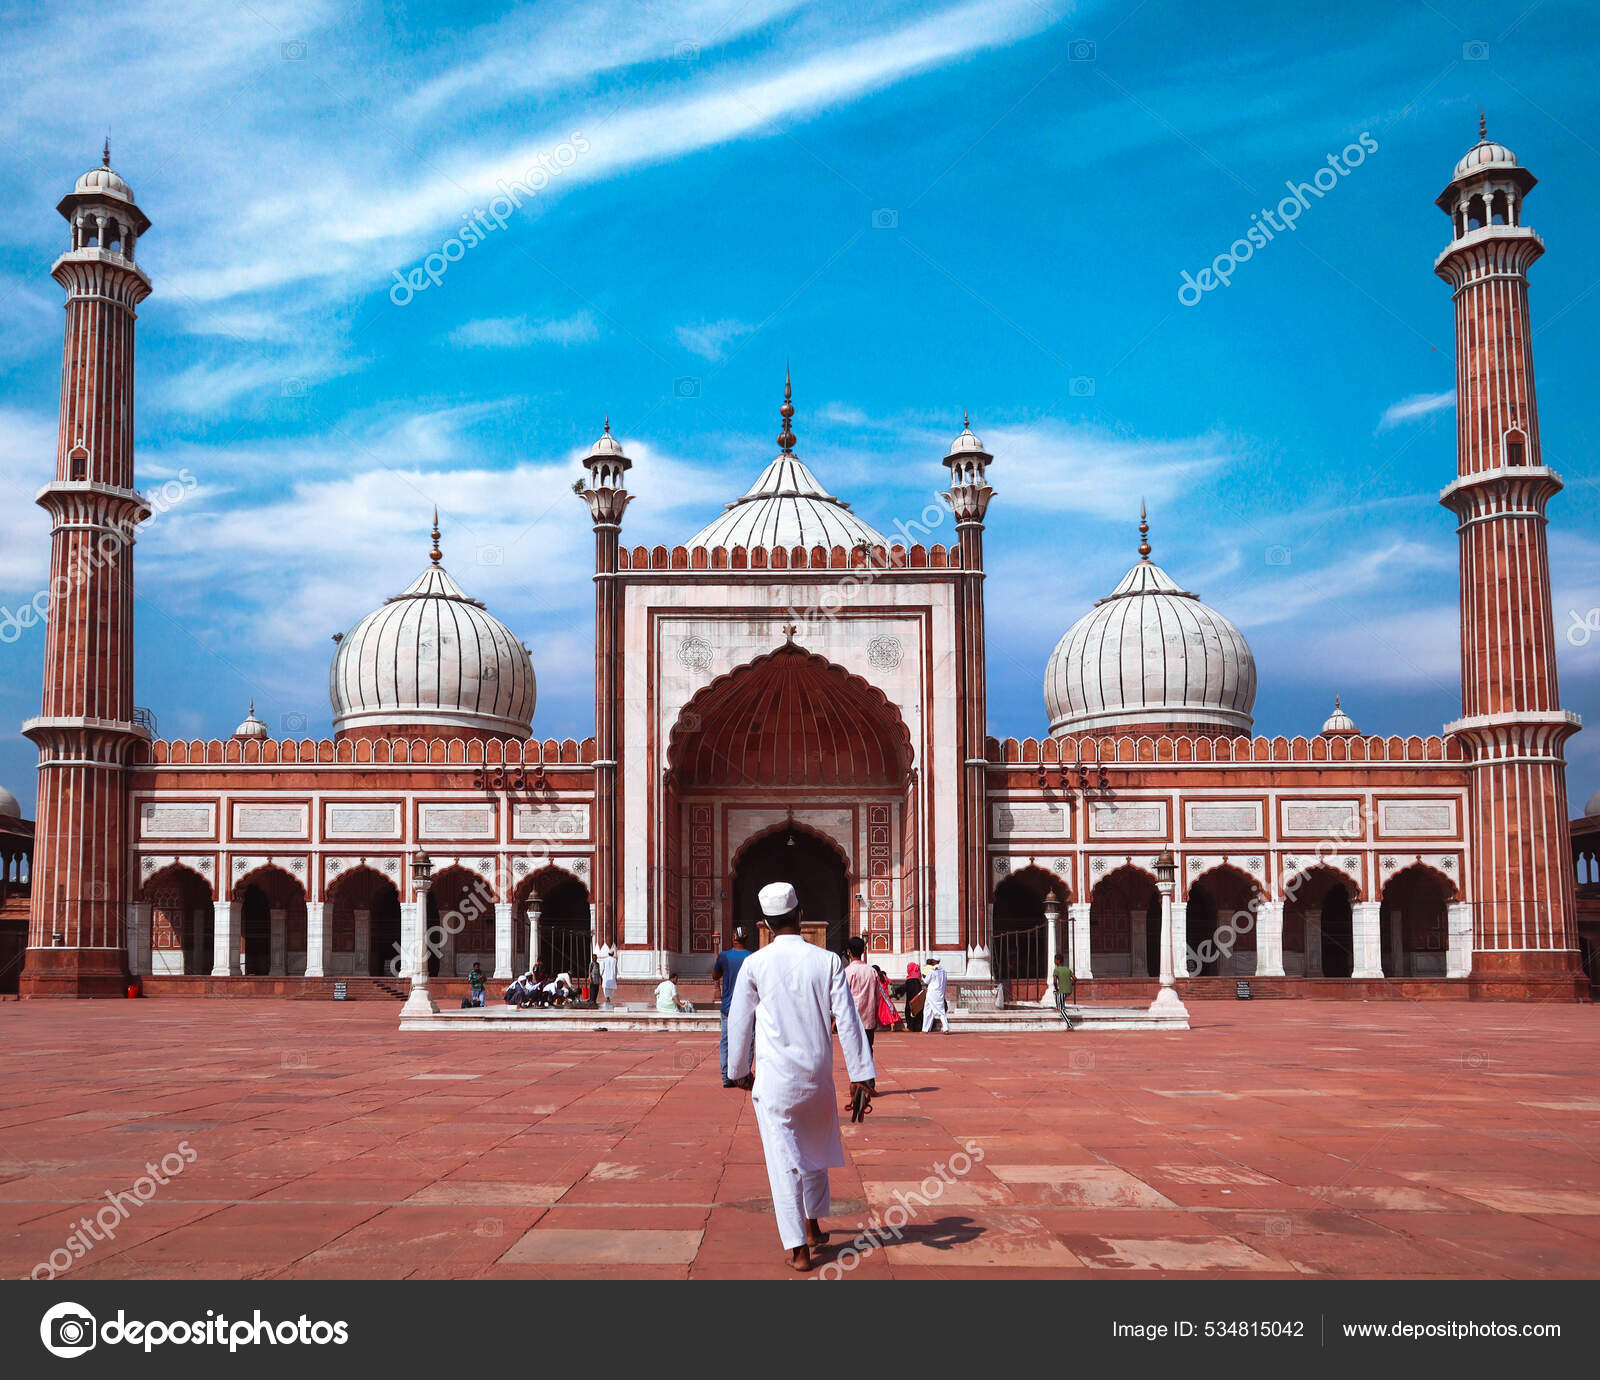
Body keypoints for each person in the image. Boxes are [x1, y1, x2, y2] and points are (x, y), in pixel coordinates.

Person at [727, 881, 875, 1273]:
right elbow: (848, 1020)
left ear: (766, 923)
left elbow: (740, 1023)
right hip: (817, 1078)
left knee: (783, 1161)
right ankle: (812, 1225)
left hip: (775, 1081)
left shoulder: (755, 964)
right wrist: (862, 1076)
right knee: (814, 1155)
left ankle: (798, 1247)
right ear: (800, 915)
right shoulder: (826, 960)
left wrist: (739, 1072)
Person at [712, 927, 755, 1085]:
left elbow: (715, 975)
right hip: (748, 1007)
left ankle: (726, 1077)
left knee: (726, 1041)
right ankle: (743, 1075)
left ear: (733, 939)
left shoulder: (724, 956)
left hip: (728, 1006)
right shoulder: (752, 957)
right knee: (748, 1041)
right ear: (746, 939)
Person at [843, 937, 881, 1050]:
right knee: (868, 1051)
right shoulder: (872, 971)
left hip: (852, 1019)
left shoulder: (848, 972)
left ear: (849, 951)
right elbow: (877, 998)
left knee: (853, 1053)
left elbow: (843, 998)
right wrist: (875, 1017)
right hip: (868, 1019)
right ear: (863, 951)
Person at [922, 956, 950, 1032]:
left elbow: (926, 981)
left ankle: (946, 1028)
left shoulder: (932, 971)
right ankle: (925, 1029)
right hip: (940, 993)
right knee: (928, 1010)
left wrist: (923, 976)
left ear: (934, 961)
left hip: (932, 993)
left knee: (939, 1011)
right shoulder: (944, 971)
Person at [896, 961, 924, 1033]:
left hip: (911, 1000)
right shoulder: (917, 979)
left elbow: (904, 988)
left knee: (909, 1011)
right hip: (918, 1000)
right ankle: (918, 1027)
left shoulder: (910, 979)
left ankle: (910, 1027)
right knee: (918, 1012)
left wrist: (896, 991)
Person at [1052, 954, 1076, 1027]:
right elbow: (1075, 979)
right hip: (1069, 990)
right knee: (1055, 993)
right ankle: (1059, 1005)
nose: (1054, 961)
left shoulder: (1056, 970)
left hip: (1062, 991)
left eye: (1055, 960)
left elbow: (1055, 982)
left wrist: (1056, 988)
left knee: (1061, 1009)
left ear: (1058, 961)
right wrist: (1071, 984)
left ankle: (1069, 1024)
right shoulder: (1067, 969)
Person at [599, 944, 619, 1009]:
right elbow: (616, 970)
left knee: (606, 988)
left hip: (606, 977)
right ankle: (609, 998)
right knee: (611, 990)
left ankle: (607, 998)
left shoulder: (605, 960)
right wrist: (616, 977)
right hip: (612, 977)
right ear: (613, 954)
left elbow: (602, 969)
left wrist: (600, 974)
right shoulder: (615, 960)